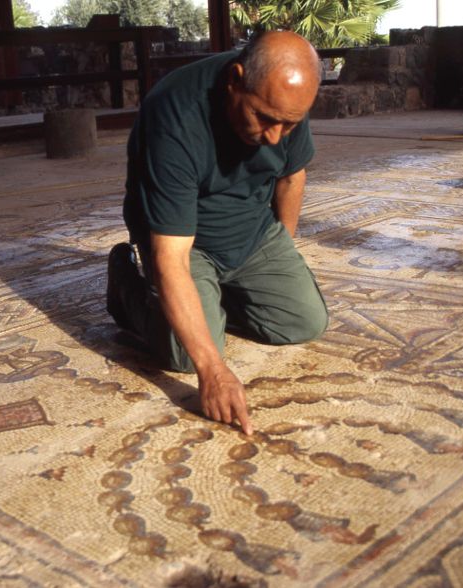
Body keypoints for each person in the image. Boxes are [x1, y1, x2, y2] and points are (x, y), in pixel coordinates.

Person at [106, 31, 328, 436]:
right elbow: (171, 258)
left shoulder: (287, 98)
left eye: (288, 124)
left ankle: (212, 300)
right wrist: (213, 370)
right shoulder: (173, 114)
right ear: (235, 79)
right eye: (263, 118)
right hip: (184, 239)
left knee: (304, 322)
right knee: (185, 357)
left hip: (251, 228)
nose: (275, 136)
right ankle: (125, 285)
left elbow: (292, 178)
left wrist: (283, 250)